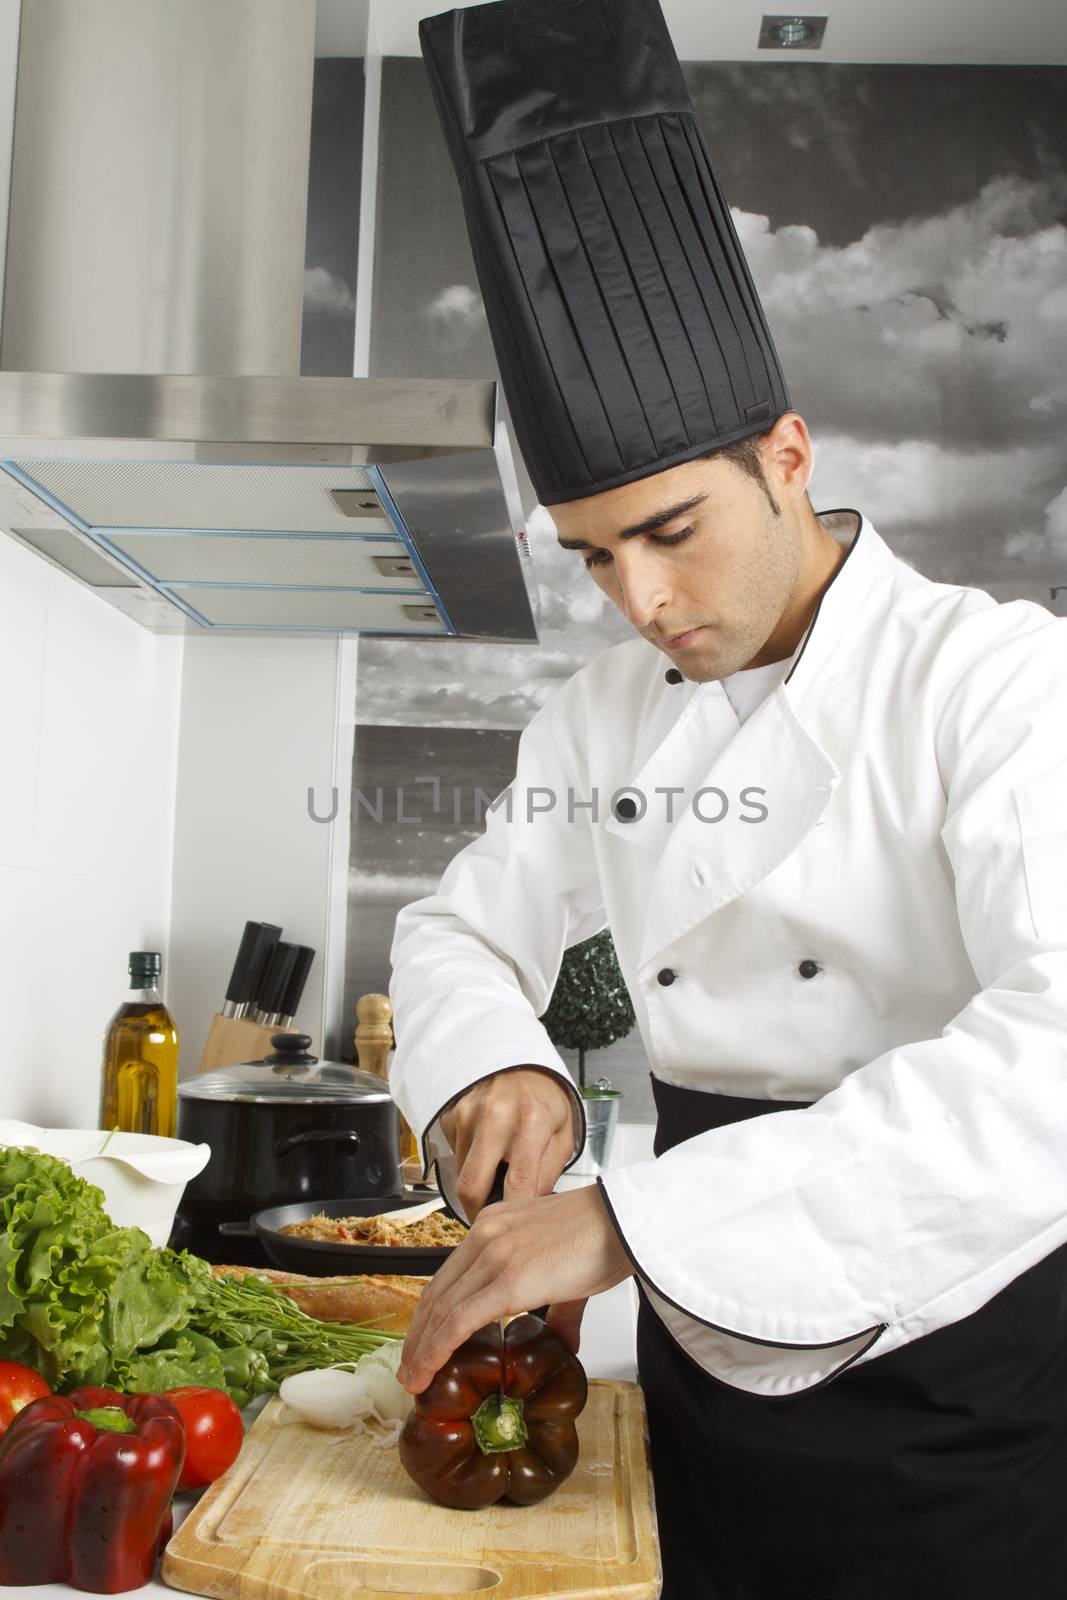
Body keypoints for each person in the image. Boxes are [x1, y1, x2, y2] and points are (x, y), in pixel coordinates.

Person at [389, 2, 1067, 1595]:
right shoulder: (602, 713)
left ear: (786, 453)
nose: (637, 599)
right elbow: (459, 929)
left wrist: (627, 1227)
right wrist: (500, 1067)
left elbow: (1057, 1064)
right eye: (593, 556)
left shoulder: (1001, 682)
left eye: (671, 531)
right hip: (694, 1360)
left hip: (947, 1377)